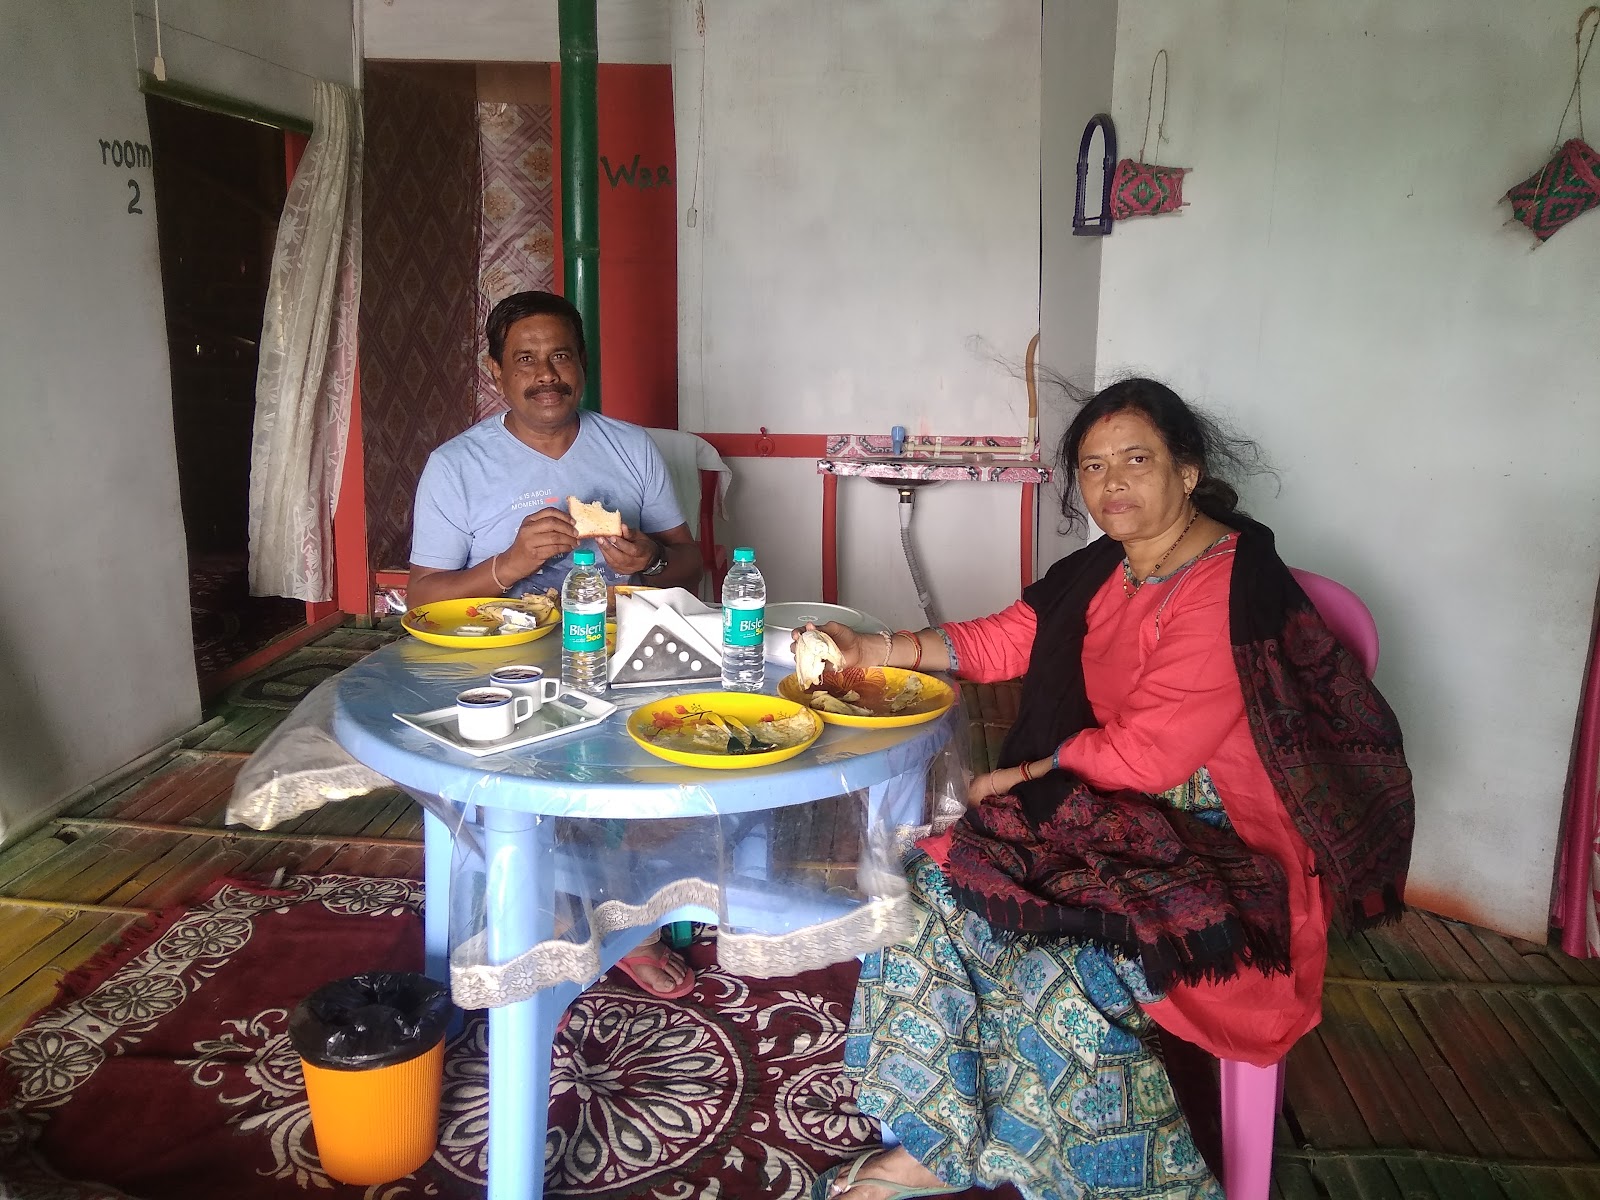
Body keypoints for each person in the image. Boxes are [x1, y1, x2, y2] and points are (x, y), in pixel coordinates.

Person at [802, 378, 1415, 1200]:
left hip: (1220, 843)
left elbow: (1151, 755)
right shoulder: (1106, 567)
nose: (1112, 484)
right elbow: (1009, 637)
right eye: (1093, 467)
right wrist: (876, 650)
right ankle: (936, 1142)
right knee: (928, 884)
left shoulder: (1226, 583)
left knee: (1065, 960)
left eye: (1136, 460)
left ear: (1188, 471)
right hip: (1109, 812)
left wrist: (1006, 782)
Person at [408, 290, 701, 999]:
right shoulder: (457, 465)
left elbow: (689, 560)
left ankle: (627, 914)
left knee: (667, 759)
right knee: (534, 779)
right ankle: (552, 914)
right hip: (503, 666)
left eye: (561, 356)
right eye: (526, 359)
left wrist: (647, 562)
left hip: (621, 656)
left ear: (583, 366)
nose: (547, 375)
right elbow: (422, 595)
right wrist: (505, 567)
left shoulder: (630, 448)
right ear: (496, 373)